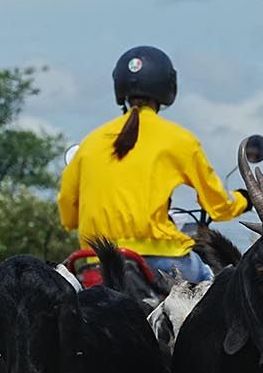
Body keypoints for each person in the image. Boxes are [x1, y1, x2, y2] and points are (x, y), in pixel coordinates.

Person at [58, 45, 249, 284]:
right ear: (168, 87)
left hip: (95, 262)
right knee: (212, 282)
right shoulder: (179, 140)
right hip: (160, 258)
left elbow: (68, 214)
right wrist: (243, 199)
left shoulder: (91, 142)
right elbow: (218, 207)